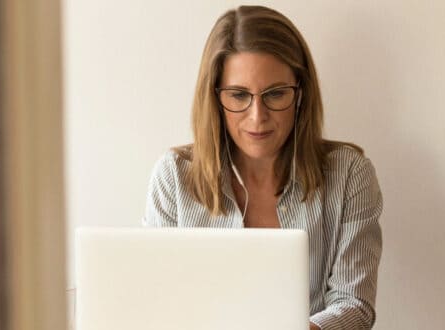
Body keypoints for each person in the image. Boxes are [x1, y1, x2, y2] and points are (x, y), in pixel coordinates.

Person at [142, 5, 383, 330]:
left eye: (275, 94)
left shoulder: (349, 174)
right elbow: (155, 301)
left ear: (300, 93)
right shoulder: (173, 178)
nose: (258, 116)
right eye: (239, 95)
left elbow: (354, 307)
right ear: (214, 98)